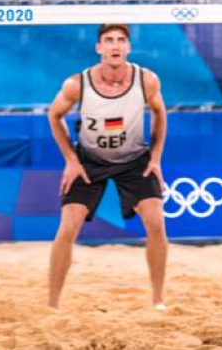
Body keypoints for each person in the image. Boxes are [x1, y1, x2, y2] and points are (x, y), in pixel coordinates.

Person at [47, 23, 168, 309]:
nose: (115, 45)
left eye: (121, 40)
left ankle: (158, 300)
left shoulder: (146, 80)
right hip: (89, 161)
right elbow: (54, 116)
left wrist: (156, 158)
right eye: (109, 40)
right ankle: (52, 304)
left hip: (134, 160)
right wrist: (71, 160)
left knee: (156, 223)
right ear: (98, 48)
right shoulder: (77, 84)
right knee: (67, 228)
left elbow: (160, 113)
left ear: (128, 47)